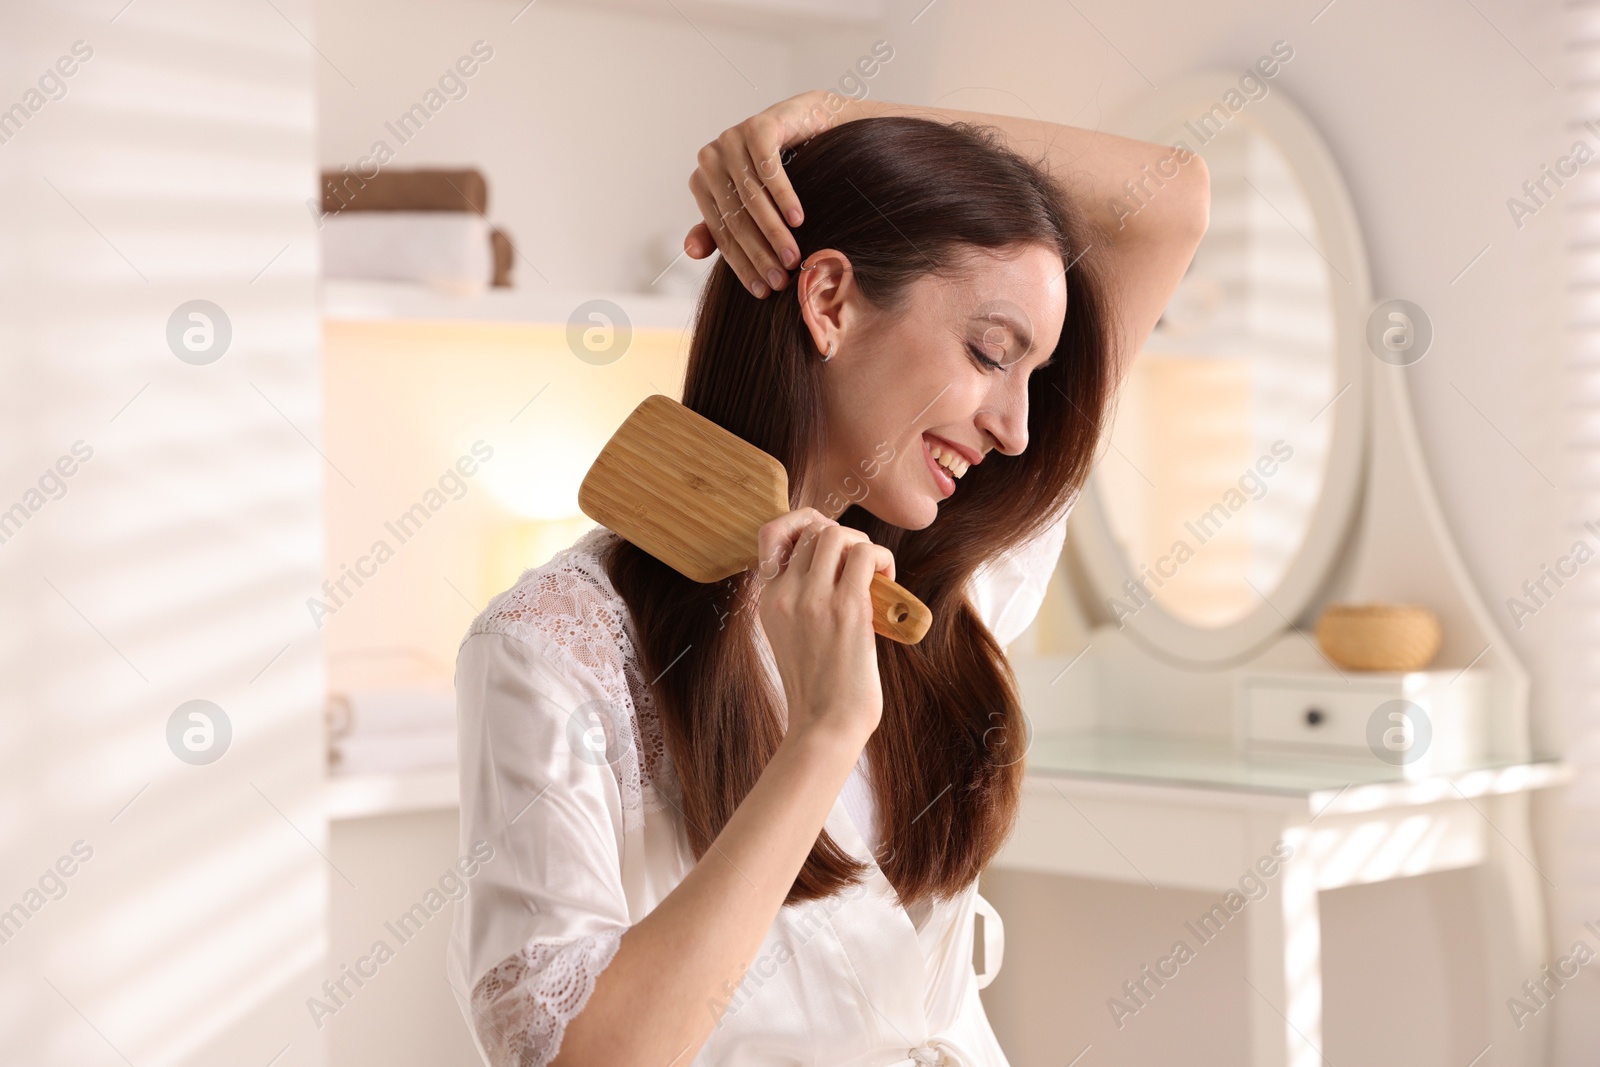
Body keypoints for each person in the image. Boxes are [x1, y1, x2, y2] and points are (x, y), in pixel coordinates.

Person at [446, 89, 1208, 1067]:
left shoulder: (949, 578)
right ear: (830, 300)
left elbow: (1166, 202)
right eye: (989, 352)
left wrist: (830, 117)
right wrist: (821, 734)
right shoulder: (554, 650)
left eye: (1033, 376)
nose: (1015, 427)